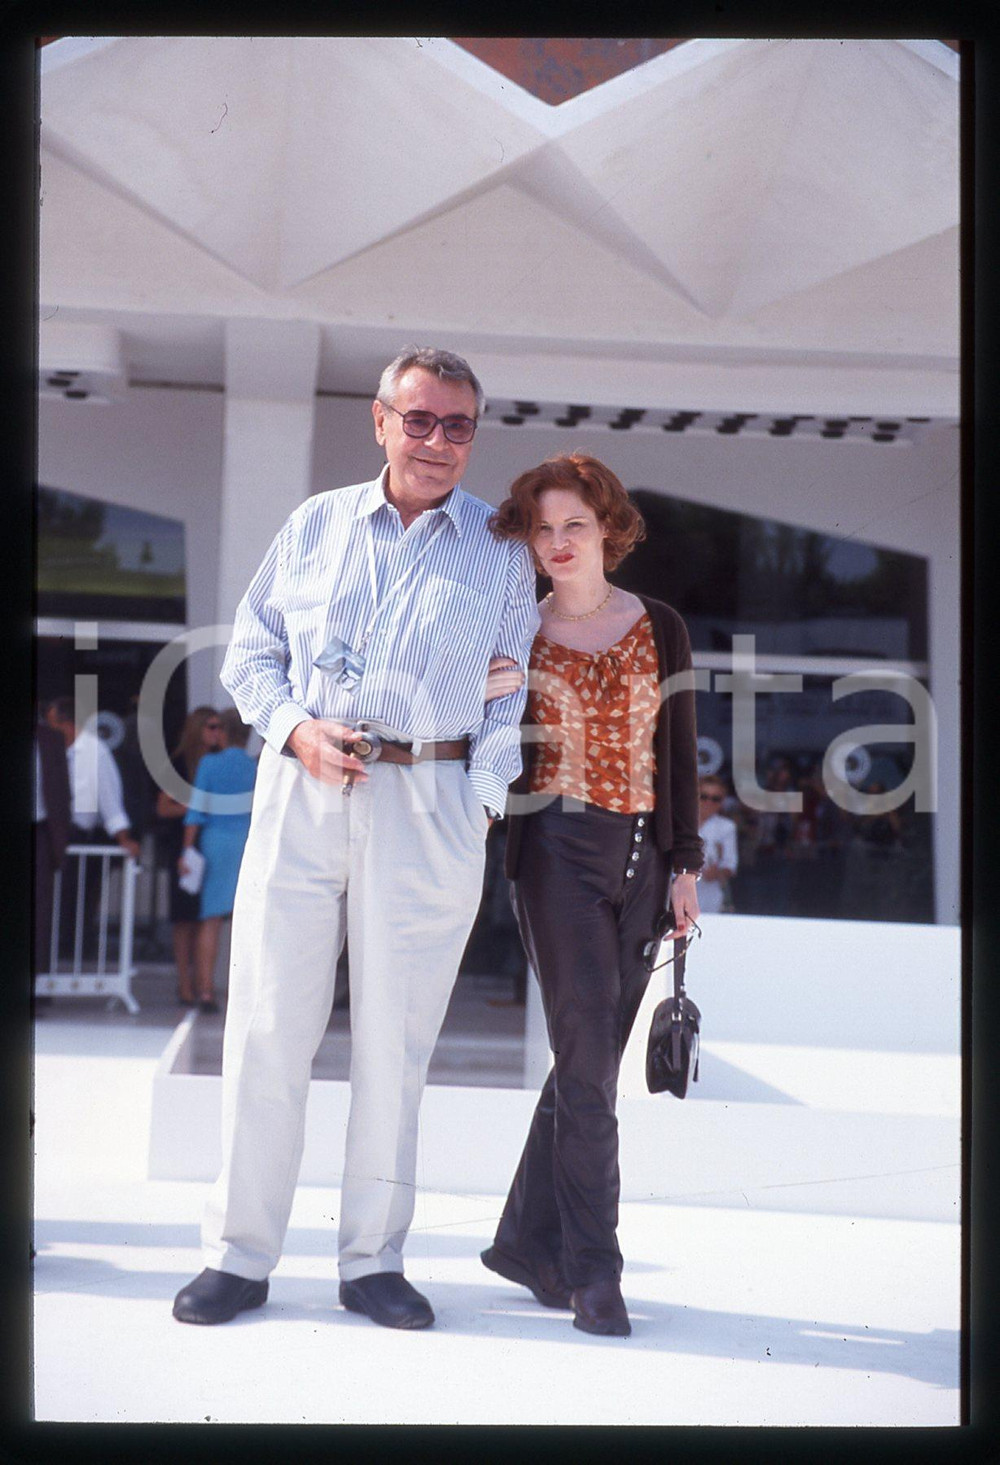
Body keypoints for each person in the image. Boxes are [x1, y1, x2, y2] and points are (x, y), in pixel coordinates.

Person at [172, 346, 538, 1331]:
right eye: (418, 420)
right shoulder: (314, 525)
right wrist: (294, 728)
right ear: (379, 421)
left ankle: (372, 1259)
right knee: (264, 1026)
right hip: (303, 790)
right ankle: (239, 1256)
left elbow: (518, 692)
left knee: (397, 1042)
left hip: (431, 801)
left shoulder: (502, 551)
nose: (437, 441)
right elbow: (251, 650)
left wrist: (483, 803)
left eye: (457, 425)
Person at [480, 452, 703, 1338]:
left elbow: (677, 750)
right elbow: (474, 749)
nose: (558, 541)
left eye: (574, 523)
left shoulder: (663, 625)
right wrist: (480, 696)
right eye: (543, 527)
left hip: (646, 859)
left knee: (590, 1063)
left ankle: (524, 1246)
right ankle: (593, 1269)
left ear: (608, 527)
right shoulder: (516, 632)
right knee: (585, 1065)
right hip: (558, 857)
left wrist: (685, 864)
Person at [44, 696, 142, 961]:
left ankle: (70, 952)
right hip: (51, 832)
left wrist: (123, 837)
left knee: (73, 899)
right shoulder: (52, 751)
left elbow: (109, 797)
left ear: (65, 724)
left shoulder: (93, 750)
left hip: (76, 833)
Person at [179, 707, 257, 1013]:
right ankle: (246, 992)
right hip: (248, 841)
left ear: (222, 731)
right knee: (248, 919)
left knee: (210, 919)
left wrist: (187, 850)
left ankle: (207, 991)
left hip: (215, 840)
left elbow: (196, 811)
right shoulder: (255, 766)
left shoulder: (209, 764)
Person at [155, 707, 222, 1005]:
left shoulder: (219, 761)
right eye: (210, 726)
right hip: (185, 849)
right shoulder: (180, 762)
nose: (216, 732)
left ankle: (200, 981)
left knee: (204, 919)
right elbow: (163, 807)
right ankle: (185, 982)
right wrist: (196, 809)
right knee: (184, 920)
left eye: (219, 727)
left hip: (211, 847)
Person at [33, 717, 72, 979]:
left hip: (39, 830)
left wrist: (61, 837)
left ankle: (38, 982)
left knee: (39, 911)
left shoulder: (51, 739)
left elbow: (62, 791)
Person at [697, 774, 739, 914]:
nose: (709, 802)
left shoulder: (727, 827)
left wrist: (717, 873)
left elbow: (730, 865)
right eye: (704, 796)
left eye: (715, 799)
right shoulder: (679, 824)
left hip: (710, 896)